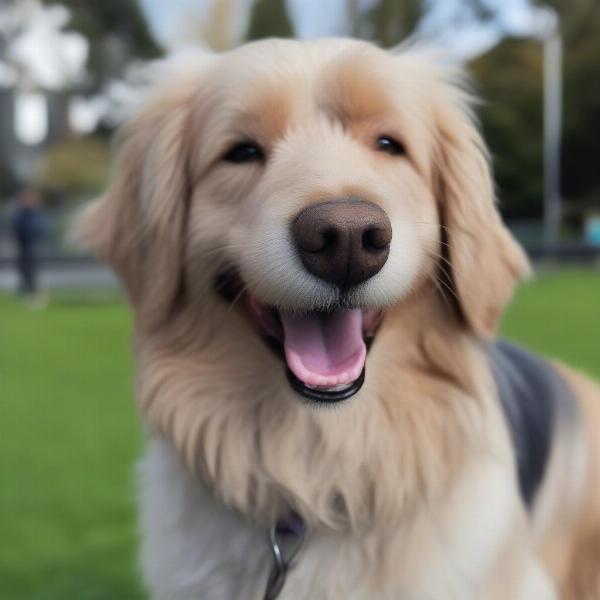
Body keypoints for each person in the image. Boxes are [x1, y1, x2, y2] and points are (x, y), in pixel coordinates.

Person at [11, 187, 45, 303]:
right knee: (26, 271)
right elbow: (20, 230)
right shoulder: (22, 215)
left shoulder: (34, 214)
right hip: (25, 249)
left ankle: (31, 292)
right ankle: (27, 293)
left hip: (31, 248)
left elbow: (40, 230)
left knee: (31, 272)